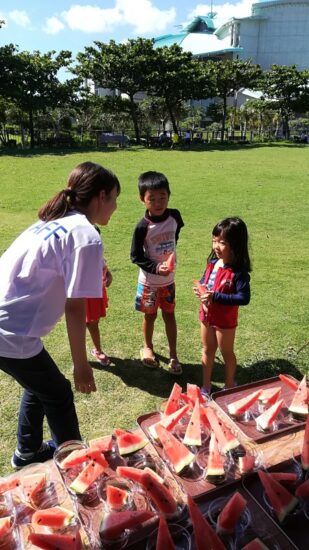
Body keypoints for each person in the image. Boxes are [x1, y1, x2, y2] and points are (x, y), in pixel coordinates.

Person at [0, 161, 120, 469]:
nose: (116, 208)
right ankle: (76, 466)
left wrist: (96, 272)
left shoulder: (54, 220)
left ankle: (26, 453)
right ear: (101, 196)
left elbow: (59, 269)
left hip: (9, 327)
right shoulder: (85, 233)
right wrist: (82, 366)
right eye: (115, 199)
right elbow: (75, 306)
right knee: (59, 393)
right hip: (10, 333)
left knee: (41, 385)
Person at [130, 171, 184, 374]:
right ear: (142, 200)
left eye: (162, 197)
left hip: (169, 282)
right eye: (152, 199)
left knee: (170, 316)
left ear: (169, 195)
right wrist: (155, 267)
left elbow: (174, 237)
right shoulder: (142, 227)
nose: (158, 202)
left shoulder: (175, 216)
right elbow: (135, 256)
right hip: (149, 283)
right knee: (150, 317)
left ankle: (173, 355)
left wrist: (169, 260)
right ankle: (148, 348)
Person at [194, 217, 251, 396]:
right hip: (206, 316)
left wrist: (216, 296)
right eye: (214, 241)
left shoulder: (238, 272)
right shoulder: (212, 264)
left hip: (225, 321)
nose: (216, 246)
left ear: (235, 245)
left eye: (222, 242)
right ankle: (206, 386)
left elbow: (244, 297)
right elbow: (205, 280)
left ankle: (229, 385)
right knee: (207, 349)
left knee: (226, 352)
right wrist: (201, 289)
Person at [86, 232, 113, 367]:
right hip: (81, 297)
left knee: (93, 324)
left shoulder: (98, 255)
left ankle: (97, 350)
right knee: (79, 325)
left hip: (96, 295)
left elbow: (105, 270)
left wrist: (108, 276)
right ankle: (79, 357)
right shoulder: (75, 257)